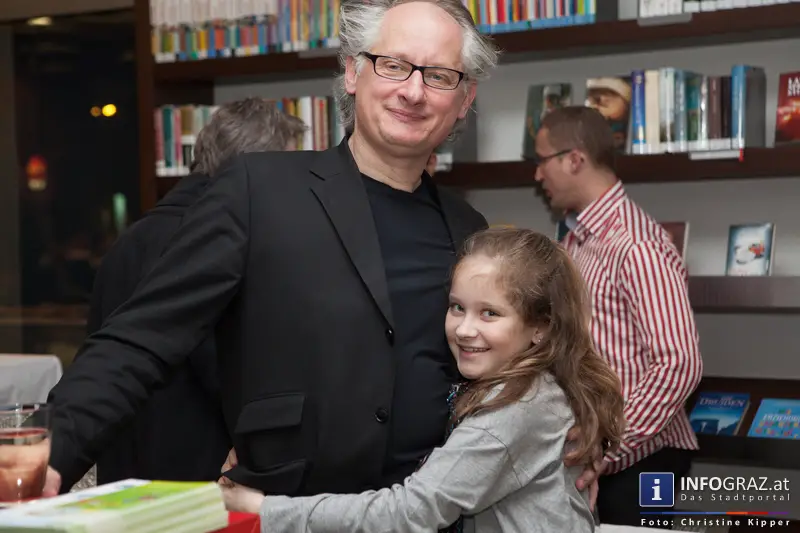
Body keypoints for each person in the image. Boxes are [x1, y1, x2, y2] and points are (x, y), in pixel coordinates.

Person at [44, 0, 602, 506]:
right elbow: (140, 339)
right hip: (286, 507)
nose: (413, 91)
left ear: (464, 100)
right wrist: (52, 453)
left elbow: (507, 363)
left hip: (424, 514)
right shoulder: (257, 191)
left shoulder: (467, 228)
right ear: (353, 71)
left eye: (439, 76)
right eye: (393, 65)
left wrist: (565, 433)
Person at [220, 227, 626, 533]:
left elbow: (409, 512)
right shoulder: (536, 384)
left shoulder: (514, 409)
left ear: (541, 326)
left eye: (490, 314)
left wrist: (261, 507)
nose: (465, 329)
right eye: (457, 308)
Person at [81, 97, 308, 487]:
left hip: (124, 474)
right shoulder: (218, 242)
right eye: (288, 169)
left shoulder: (132, 238)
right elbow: (227, 372)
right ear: (254, 169)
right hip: (196, 479)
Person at [533, 105, 703, 528]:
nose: (537, 176)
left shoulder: (635, 244)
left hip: (643, 462)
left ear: (575, 159)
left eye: (542, 161)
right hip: (597, 458)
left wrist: (608, 445)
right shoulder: (577, 241)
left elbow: (679, 363)